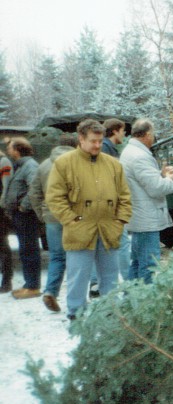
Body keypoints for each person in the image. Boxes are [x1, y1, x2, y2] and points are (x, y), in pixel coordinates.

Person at [46, 119, 132, 319]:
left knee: (110, 276)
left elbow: (125, 196)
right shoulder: (64, 163)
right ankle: (76, 313)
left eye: (100, 141)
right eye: (93, 141)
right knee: (78, 276)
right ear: (81, 139)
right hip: (79, 231)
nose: (97, 145)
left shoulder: (113, 164)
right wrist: (72, 221)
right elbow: (54, 197)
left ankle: (110, 311)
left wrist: (120, 221)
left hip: (109, 230)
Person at [120, 118, 173, 284]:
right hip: (146, 219)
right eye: (153, 134)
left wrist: (160, 174)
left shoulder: (129, 152)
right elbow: (156, 188)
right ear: (148, 134)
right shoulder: (140, 156)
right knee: (149, 265)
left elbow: (143, 182)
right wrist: (170, 179)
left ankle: (130, 300)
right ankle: (145, 301)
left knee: (136, 264)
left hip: (138, 218)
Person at [29, 134, 77, 312]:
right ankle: (78, 296)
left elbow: (33, 193)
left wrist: (42, 214)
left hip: (51, 217)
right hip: (74, 217)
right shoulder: (78, 163)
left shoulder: (43, 165)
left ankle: (51, 291)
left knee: (57, 257)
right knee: (79, 256)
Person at [89, 118, 131, 295]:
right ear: (115, 131)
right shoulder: (106, 149)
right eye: (122, 131)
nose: (124, 134)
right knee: (122, 243)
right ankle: (130, 284)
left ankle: (94, 284)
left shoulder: (105, 148)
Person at [3, 138, 41, 299]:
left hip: (27, 215)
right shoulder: (23, 166)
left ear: (17, 150)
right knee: (26, 250)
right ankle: (29, 284)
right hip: (21, 215)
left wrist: (24, 206)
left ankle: (33, 286)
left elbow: (35, 188)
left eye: (10, 148)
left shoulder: (30, 166)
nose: (8, 150)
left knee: (29, 250)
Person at [0, 149, 13, 293]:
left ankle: (6, 281)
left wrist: (3, 206)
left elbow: (6, 187)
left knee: (2, 246)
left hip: (0, 212)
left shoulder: (3, 161)